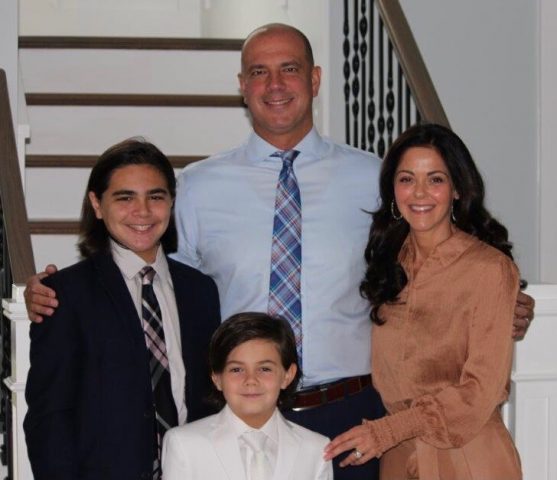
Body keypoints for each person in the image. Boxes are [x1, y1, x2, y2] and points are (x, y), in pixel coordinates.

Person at [24, 23, 534, 480]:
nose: (275, 85)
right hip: (239, 411)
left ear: (314, 80)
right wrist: (52, 291)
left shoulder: (374, 178)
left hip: (355, 413)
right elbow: (155, 281)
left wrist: (503, 300)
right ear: (242, 86)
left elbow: (435, 255)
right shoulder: (197, 187)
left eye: (289, 69)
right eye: (259, 72)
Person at [324, 123, 523, 479]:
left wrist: (387, 431)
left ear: (458, 189)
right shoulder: (385, 263)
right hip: (398, 456)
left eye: (435, 179)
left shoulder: (489, 269)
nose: (419, 193)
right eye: (406, 179)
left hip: (466, 455)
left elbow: (481, 390)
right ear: (392, 190)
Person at [23, 139, 221, 480]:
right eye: (125, 197)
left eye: (156, 197)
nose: (142, 212)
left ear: (171, 203)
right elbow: (49, 416)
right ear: (97, 204)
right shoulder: (64, 295)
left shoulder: (201, 290)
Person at [162, 312, 333, 479]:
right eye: (237, 369)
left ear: (287, 375)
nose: (251, 380)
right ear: (217, 378)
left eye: (264, 369)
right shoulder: (184, 444)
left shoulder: (316, 449)